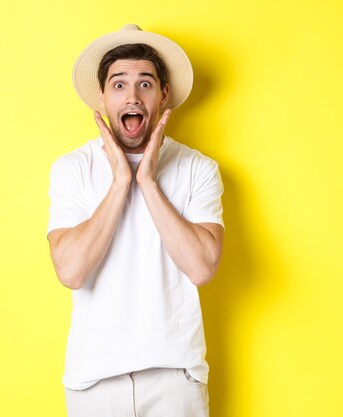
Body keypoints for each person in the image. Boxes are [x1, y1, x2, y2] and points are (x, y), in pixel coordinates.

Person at [47, 24, 224, 417]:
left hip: (175, 379)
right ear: (102, 97)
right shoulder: (72, 169)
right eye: (119, 84)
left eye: (145, 84)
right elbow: (71, 271)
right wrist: (121, 183)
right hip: (94, 381)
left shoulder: (198, 168)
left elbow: (202, 266)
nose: (132, 95)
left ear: (163, 95)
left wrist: (147, 180)